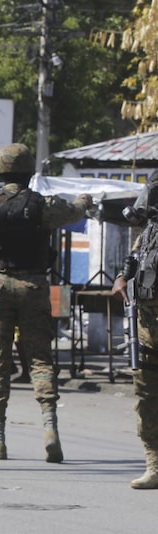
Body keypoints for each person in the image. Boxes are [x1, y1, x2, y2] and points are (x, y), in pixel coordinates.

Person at [0, 142, 91, 463]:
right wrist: (84, 199)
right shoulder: (43, 205)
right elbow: (74, 211)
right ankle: (50, 432)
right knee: (40, 359)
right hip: (34, 285)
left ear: (0, 171)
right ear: (30, 171)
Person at [112, 173, 158, 489]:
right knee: (146, 397)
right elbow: (134, 261)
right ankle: (154, 466)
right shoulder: (149, 232)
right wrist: (121, 278)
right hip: (147, 330)